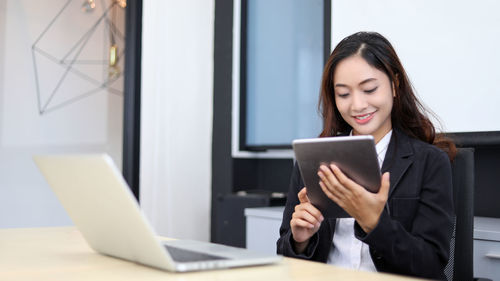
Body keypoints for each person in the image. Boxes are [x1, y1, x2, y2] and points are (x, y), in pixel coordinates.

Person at [276, 31, 456, 280]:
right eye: (344, 94)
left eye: (369, 89)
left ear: (395, 85)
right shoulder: (314, 159)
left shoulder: (429, 162)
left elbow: (431, 267)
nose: (357, 105)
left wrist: (374, 223)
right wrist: (300, 240)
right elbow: (286, 256)